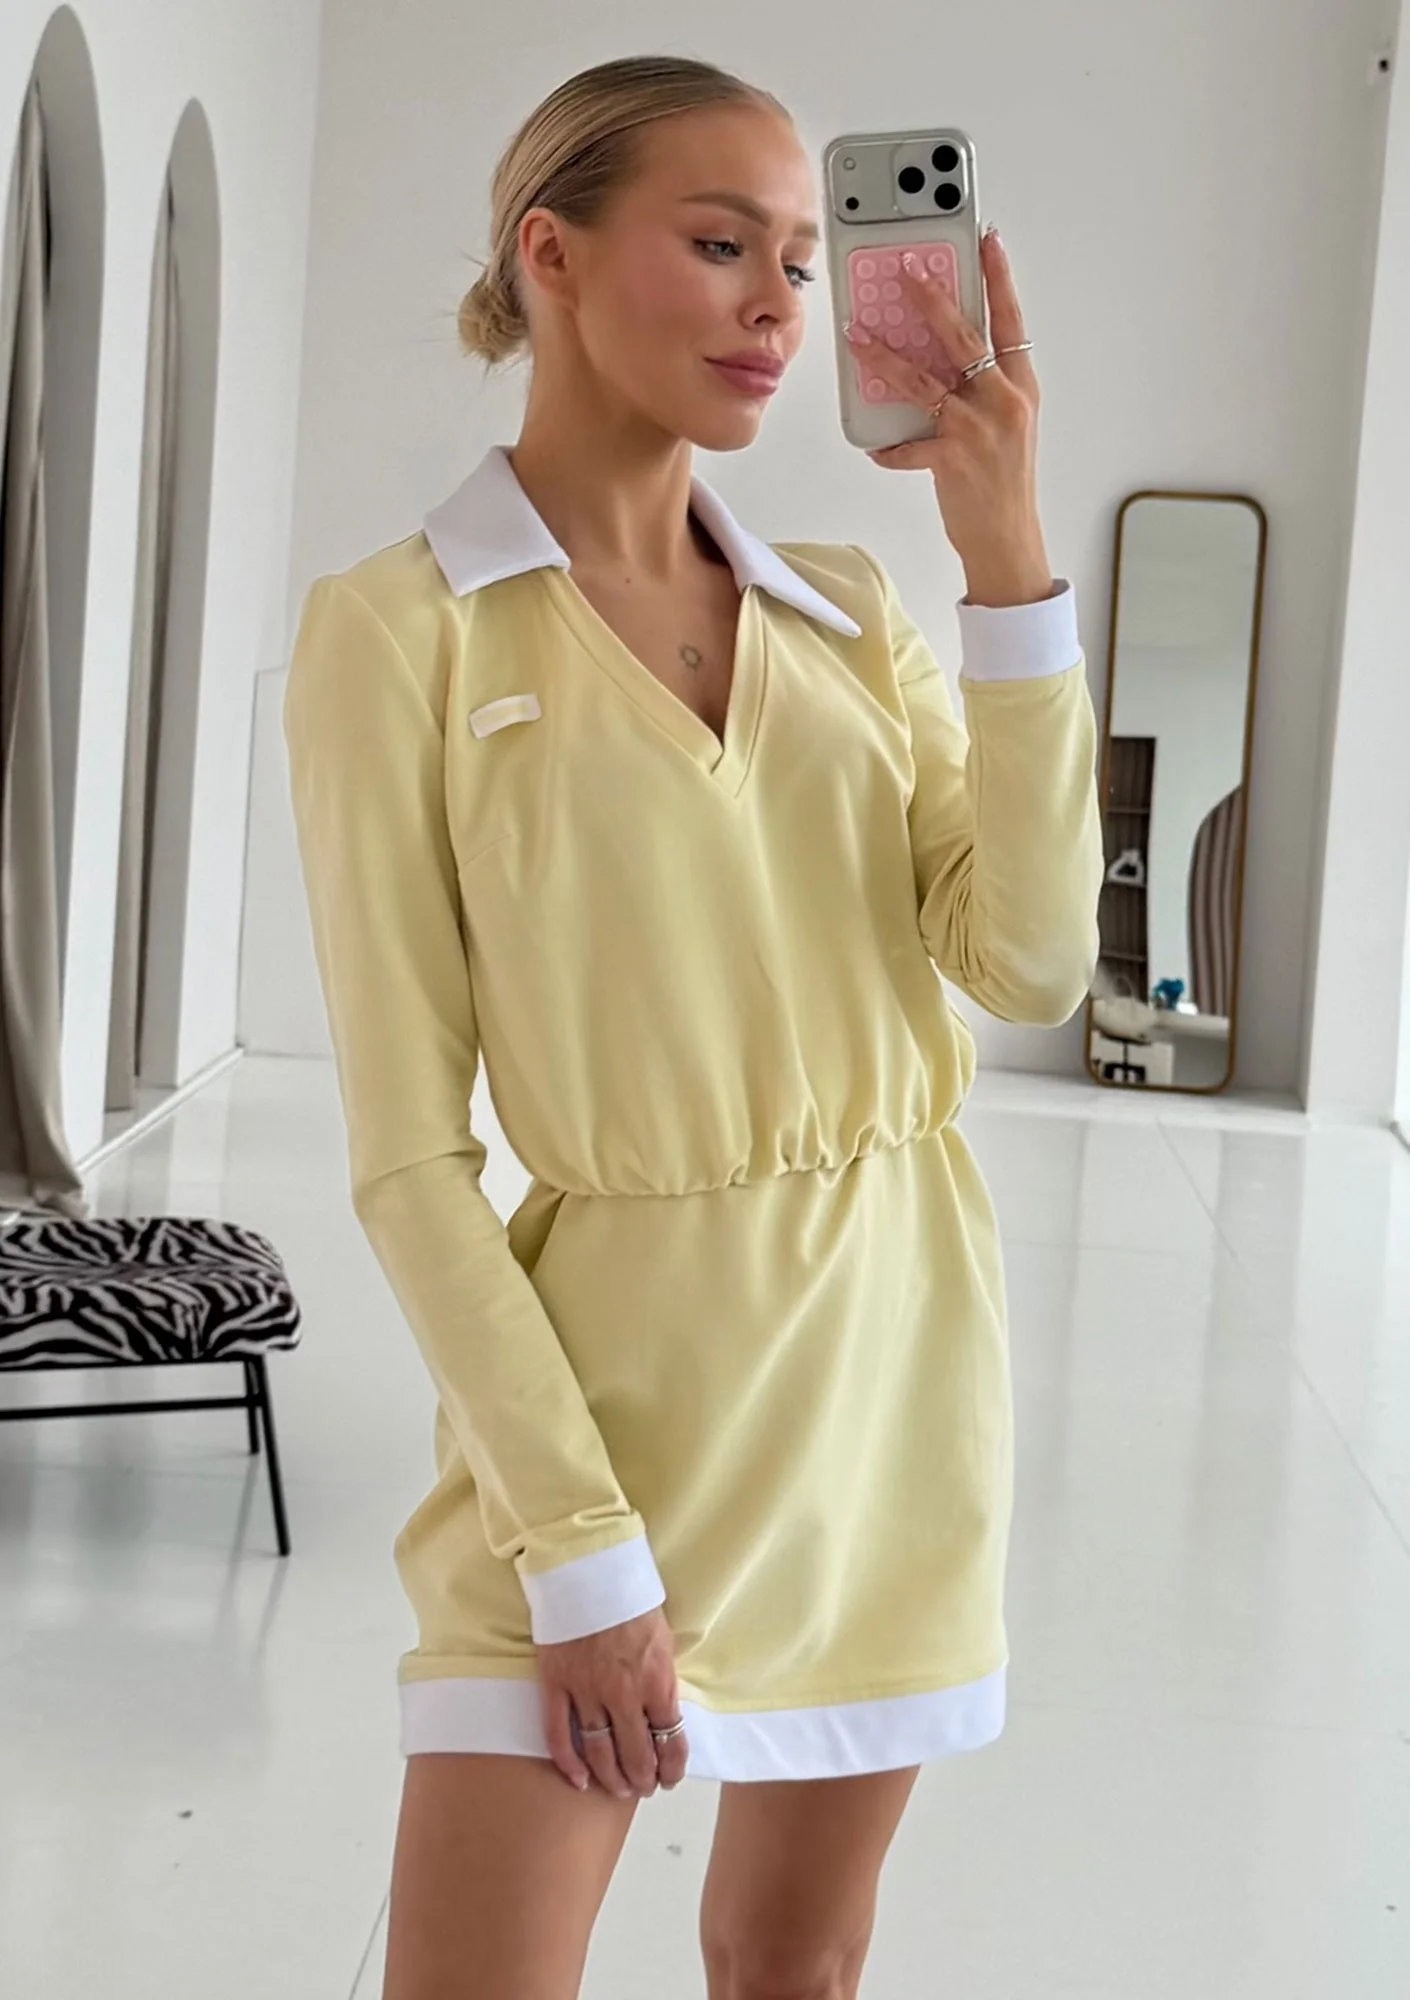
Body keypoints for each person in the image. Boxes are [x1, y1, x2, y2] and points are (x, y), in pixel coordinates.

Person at [283, 52, 1103, 2000]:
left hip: (888, 1399)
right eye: (722, 243)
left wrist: (1002, 556)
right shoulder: (402, 631)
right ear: (550, 254)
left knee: (791, 1968)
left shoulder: (850, 613)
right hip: (596, 1431)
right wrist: (578, 1554)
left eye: (804, 261)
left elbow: (1029, 964)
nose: (778, 305)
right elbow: (410, 1158)